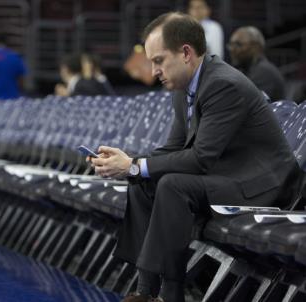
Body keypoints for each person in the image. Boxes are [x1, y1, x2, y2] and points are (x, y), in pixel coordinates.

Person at [89, 12, 301, 302]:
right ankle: (145, 289)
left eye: (158, 61)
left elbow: (200, 158)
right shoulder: (184, 87)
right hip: (228, 175)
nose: (153, 72)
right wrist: (127, 164)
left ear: (186, 53)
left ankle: (170, 293)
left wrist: (136, 167)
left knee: (172, 185)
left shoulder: (223, 84)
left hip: (262, 187)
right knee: (144, 184)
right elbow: (174, 148)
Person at [228, 26, 286, 101]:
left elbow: (240, 103)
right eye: (231, 44)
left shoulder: (264, 72)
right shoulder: (245, 70)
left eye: (238, 44)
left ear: (256, 47)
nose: (232, 49)